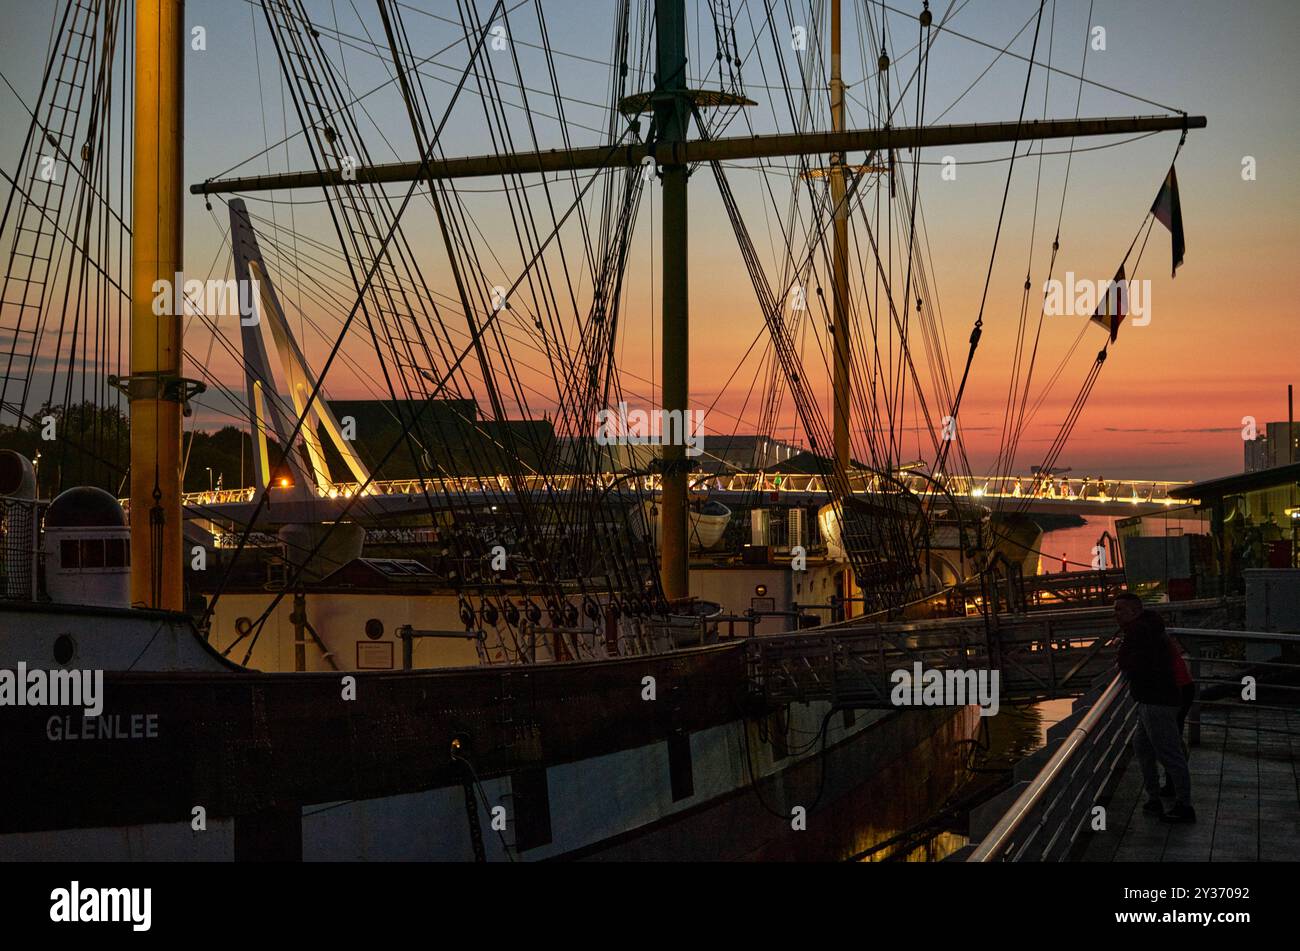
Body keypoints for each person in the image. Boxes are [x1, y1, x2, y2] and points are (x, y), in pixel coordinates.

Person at [1113, 592, 1195, 823]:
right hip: (1156, 698)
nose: (1115, 615)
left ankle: (1184, 805)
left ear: (1134, 611)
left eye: (1119, 609)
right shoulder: (1149, 627)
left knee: (1168, 752)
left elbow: (1129, 662)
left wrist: (1122, 651)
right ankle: (1155, 797)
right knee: (1143, 746)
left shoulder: (1139, 632)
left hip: (1155, 699)